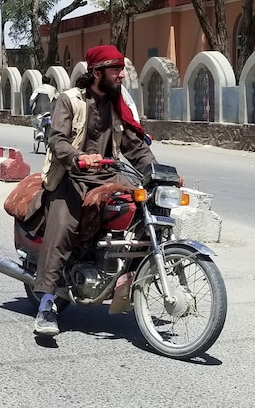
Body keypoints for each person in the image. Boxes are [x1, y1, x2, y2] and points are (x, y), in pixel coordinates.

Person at [32, 45, 160, 337]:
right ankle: (47, 304)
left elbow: (133, 146)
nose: (121, 75)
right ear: (97, 72)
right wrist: (77, 156)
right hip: (71, 175)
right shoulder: (69, 100)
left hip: (107, 175)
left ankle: (133, 274)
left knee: (147, 204)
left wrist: (158, 173)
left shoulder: (117, 106)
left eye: (121, 69)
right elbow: (57, 138)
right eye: (116, 70)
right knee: (63, 225)